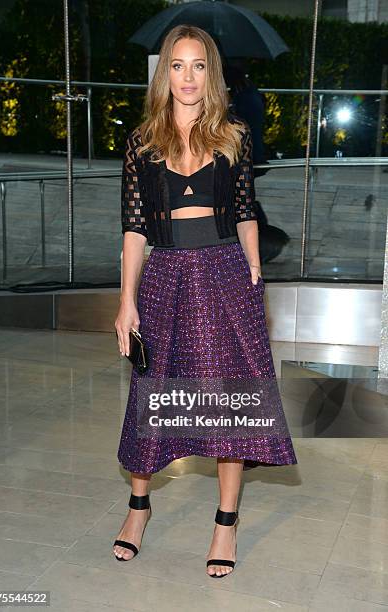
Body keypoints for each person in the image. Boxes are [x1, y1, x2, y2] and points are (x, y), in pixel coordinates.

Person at [114, 24, 297, 578]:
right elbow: (134, 228)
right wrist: (127, 302)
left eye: (198, 65)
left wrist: (254, 273)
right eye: (177, 65)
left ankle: (226, 521)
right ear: (163, 72)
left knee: (226, 396)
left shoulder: (233, 135)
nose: (188, 76)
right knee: (154, 394)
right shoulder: (143, 143)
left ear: (210, 73)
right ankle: (138, 510)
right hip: (164, 276)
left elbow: (244, 212)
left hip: (221, 273)